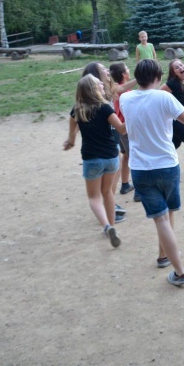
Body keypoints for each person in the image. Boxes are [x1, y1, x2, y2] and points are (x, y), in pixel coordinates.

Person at [120, 59, 184, 286]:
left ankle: (163, 255)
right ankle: (179, 272)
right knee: (167, 216)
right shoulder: (164, 97)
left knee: (161, 218)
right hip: (167, 166)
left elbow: (125, 96)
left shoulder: (125, 99)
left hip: (141, 169)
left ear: (137, 77)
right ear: (158, 77)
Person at [63, 75, 127, 248]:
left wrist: (69, 144)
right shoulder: (105, 108)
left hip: (91, 159)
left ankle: (106, 226)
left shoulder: (76, 110)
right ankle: (112, 226)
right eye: (99, 84)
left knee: (94, 197)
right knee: (107, 192)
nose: (102, 85)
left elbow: (71, 139)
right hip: (111, 158)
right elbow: (121, 129)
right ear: (94, 89)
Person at [83, 62, 135, 217]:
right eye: (103, 69)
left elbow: (121, 89)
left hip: (108, 134)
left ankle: (109, 202)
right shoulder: (100, 91)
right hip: (108, 134)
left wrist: (140, 77)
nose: (107, 70)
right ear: (96, 74)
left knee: (114, 169)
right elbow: (121, 90)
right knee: (113, 169)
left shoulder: (101, 89)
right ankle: (109, 205)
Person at [108, 63, 135, 198]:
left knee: (126, 156)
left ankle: (125, 185)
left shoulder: (115, 88)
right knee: (134, 158)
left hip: (119, 128)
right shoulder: (125, 92)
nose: (129, 70)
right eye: (127, 69)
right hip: (126, 129)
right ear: (124, 74)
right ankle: (139, 192)